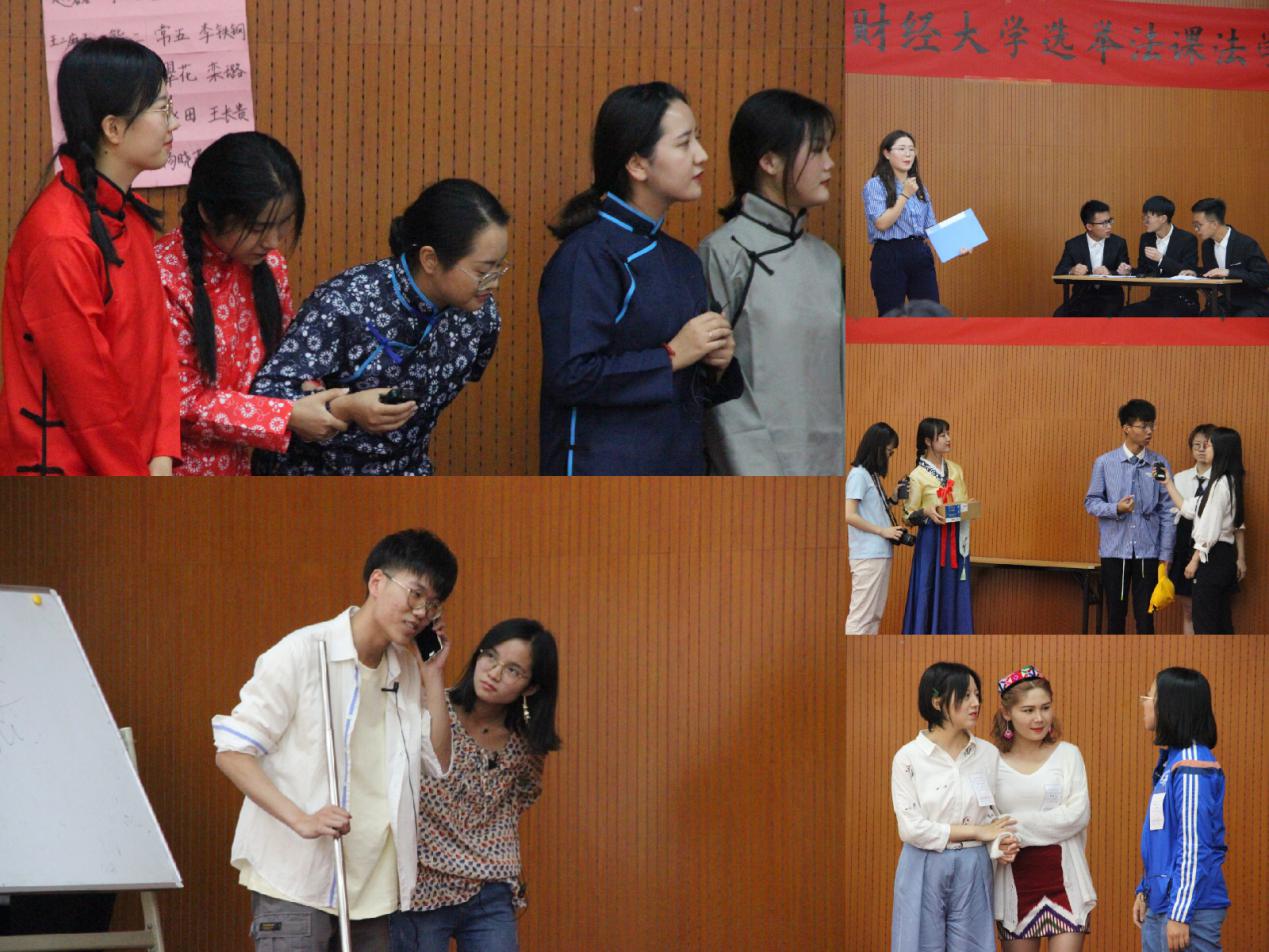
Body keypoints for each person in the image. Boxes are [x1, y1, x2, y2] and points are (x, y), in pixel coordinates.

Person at [212, 529, 459, 951]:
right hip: (297, 876)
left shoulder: (406, 669)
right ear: (377, 582)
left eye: (432, 604)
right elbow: (233, 752)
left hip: (372, 887)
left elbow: (437, 761)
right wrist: (300, 819)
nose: (421, 612)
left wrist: (433, 675)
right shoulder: (303, 651)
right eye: (415, 594)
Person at [539, 81, 742, 475]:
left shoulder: (683, 259)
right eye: (684, 143)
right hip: (601, 475)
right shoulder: (588, 255)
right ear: (637, 165)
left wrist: (716, 361)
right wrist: (673, 354)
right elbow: (571, 376)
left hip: (677, 467)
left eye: (697, 139)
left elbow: (694, 384)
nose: (702, 155)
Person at [0, 36, 181, 475]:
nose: (174, 123)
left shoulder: (130, 215)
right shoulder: (60, 237)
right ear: (113, 129)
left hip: (136, 465)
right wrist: (136, 480)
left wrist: (162, 450)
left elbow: (160, 346)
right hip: (70, 476)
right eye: (162, 109)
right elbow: (87, 395)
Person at [250, 179, 508, 474]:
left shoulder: (480, 317)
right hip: (312, 478)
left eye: (499, 267)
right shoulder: (347, 302)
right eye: (483, 271)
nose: (494, 283)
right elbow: (269, 395)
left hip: (407, 475)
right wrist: (347, 407)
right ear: (430, 259)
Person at [155, 131, 349, 475]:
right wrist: (286, 416)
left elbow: (286, 363)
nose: (272, 242)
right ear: (208, 212)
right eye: (258, 228)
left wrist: (323, 400)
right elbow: (180, 401)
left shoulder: (270, 265)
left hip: (257, 466)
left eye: (281, 225)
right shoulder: (164, 275)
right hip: (183, 472)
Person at [390, 619, 560, 952]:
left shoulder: (527, 742)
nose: (494, 673)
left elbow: (524, 794)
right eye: (490, 656)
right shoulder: (428, 707)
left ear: (531, 687)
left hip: (490, 886)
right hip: (423, 884)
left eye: (513, 670)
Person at [697, 88, 843, 475]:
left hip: (830, 470)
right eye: (817, 150)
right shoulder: (724, 252)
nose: (829, 164)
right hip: (755, 474)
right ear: (769, 161)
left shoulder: (828, 261)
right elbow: (716, 386)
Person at [890, 662, 1019, 952]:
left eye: (977, 695)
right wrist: (978, 831)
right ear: (937, 702)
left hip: (974, 865)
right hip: (923, 862)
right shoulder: (908, 758)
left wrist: (1000, 841)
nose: (976, 703)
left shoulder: (988, 754)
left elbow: (994, 817)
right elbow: (911, 829)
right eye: (965, 695)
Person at [991, 667, 1095, 949]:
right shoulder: (991, 761)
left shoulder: (1068, 754)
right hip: (1015, 887)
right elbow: (988, 824)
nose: (1039, 718)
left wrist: (1013, 827)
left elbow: (1076, 816)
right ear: (1007, 713)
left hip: (1067, 885)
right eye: (1028, 710)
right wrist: (999, 835)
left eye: (1045, 708)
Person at [1134, 668, 1228, 951]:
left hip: (1186, 910)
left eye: (1150, 696)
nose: (1144, 702)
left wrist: (1180, 913)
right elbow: (1164, 840)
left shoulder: (1191, 766)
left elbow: (1194, 846)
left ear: (1171, 706)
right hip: (1162, 903)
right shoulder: (1173, 762)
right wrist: (1145, 890)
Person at [1083, 399, 1175, 634]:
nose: (1149, 431)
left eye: (1152, 425)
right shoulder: (1105, 463)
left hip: (1148, 550)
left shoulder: (1158, 463)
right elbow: (1091, 502)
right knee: (1116, 616)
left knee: (1146, 617)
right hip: (1115, 551)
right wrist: (1116, 508)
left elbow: (1167, 510)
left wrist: (1165, 554)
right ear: (1126, 428)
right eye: (1144, 426)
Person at [1161, 427, 1245, 634]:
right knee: (1220, 618)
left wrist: (1194, 560)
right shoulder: (1228, 481)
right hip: (1221, 555)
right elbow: (1191, 509)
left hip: (1213, 556)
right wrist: (1168, 483)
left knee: (1205, 621)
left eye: (1209, 445)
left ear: (1220, 450)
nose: (1204, 449)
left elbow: (1209, 529)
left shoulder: (1220, 485)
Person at [901, 417, 972, 634]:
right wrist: (926, 511)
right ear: (928, 441)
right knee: (928, 588)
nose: (948, 439)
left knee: (954, 589)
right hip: (932, 541)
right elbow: (907, 517)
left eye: (948, 433)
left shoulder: (956, 469)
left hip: (957, 538)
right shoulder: (917, 476)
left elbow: (963, 504)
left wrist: (969, 507)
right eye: (942, 435)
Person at [863, 130, 940, 317]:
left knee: (929, 316)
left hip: (919, 253)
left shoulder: (920, 188)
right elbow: (881, 223)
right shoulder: (875, 185)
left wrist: (957, 246)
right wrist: (904, 195)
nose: (908, 154)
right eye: (902, 149)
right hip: (889, 254)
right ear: (887, 153)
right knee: (891, 317)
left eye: (912, 149)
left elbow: (931, 228)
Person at [845, 422, 905, 634]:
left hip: (879, 553)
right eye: (889, 451)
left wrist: (893, 499)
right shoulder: (858, 475)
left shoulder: (871, 476)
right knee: (861, 617)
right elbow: (850, 515)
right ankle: (851, 653)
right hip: (868, 554)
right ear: (877, 448)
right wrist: (882, 531)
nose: (889, 456)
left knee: (873, 616)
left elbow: (873, 511)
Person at [1162, 424, 1216, 634]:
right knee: (1188, 608)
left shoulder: (1221, 480)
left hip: (1211, 545)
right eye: (1196, 445)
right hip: (1184, 542)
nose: (1201, 449)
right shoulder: (1180, 478)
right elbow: (1170, 514)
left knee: (1209, 608)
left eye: (1206, 445)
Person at [1182, 197, 1269, 316]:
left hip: (1252, 303)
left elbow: (1264, 278)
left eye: (1199, 225)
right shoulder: (1207, 245)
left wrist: (1229, 272)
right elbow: (1212, 273)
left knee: (1241, 321)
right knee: (1202, 319)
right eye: (1194, 225)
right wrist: (1195, 273)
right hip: (1228, 302)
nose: (1196, 230)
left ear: (1214, 224)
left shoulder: (1246, 244)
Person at [1119, 196, 1200, 317]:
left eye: (1148, 217)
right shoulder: (1146, 238)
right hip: (1157, 300)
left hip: (1182, 300)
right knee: (1125, 314)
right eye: (1144, 217)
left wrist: (1162, 259)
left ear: (1163, 218)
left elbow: (1188, 272)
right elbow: (1144, 271)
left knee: (1166, 317)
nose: (1145, 222)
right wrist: (1129, 271)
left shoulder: (1187, 239)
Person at [1052, 200, 1131, 317]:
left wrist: (1112, 272)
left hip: (1109, 299)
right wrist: (1072, 270)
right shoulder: (1073, 245)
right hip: (1081, 299)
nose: (1109, 226)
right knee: (1059, 316)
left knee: (1108, 317)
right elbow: (1058, 274)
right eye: (1104, 223)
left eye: (1110, 221)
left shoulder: (1118, 243)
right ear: (1089, 226)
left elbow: (1126, 272)